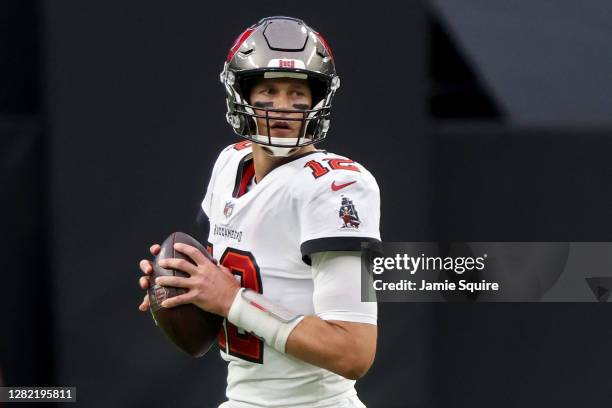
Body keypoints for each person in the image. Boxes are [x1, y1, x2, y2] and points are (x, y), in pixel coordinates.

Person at [138, 16, 381, 408]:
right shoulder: (230, 164)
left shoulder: (337, 186)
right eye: (269, 89)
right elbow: (237, 273)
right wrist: (185, 284)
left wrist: (231, 300)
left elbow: (353, 352)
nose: (283, 106)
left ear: (318, 100)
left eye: (298, 93)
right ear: (243, 96)